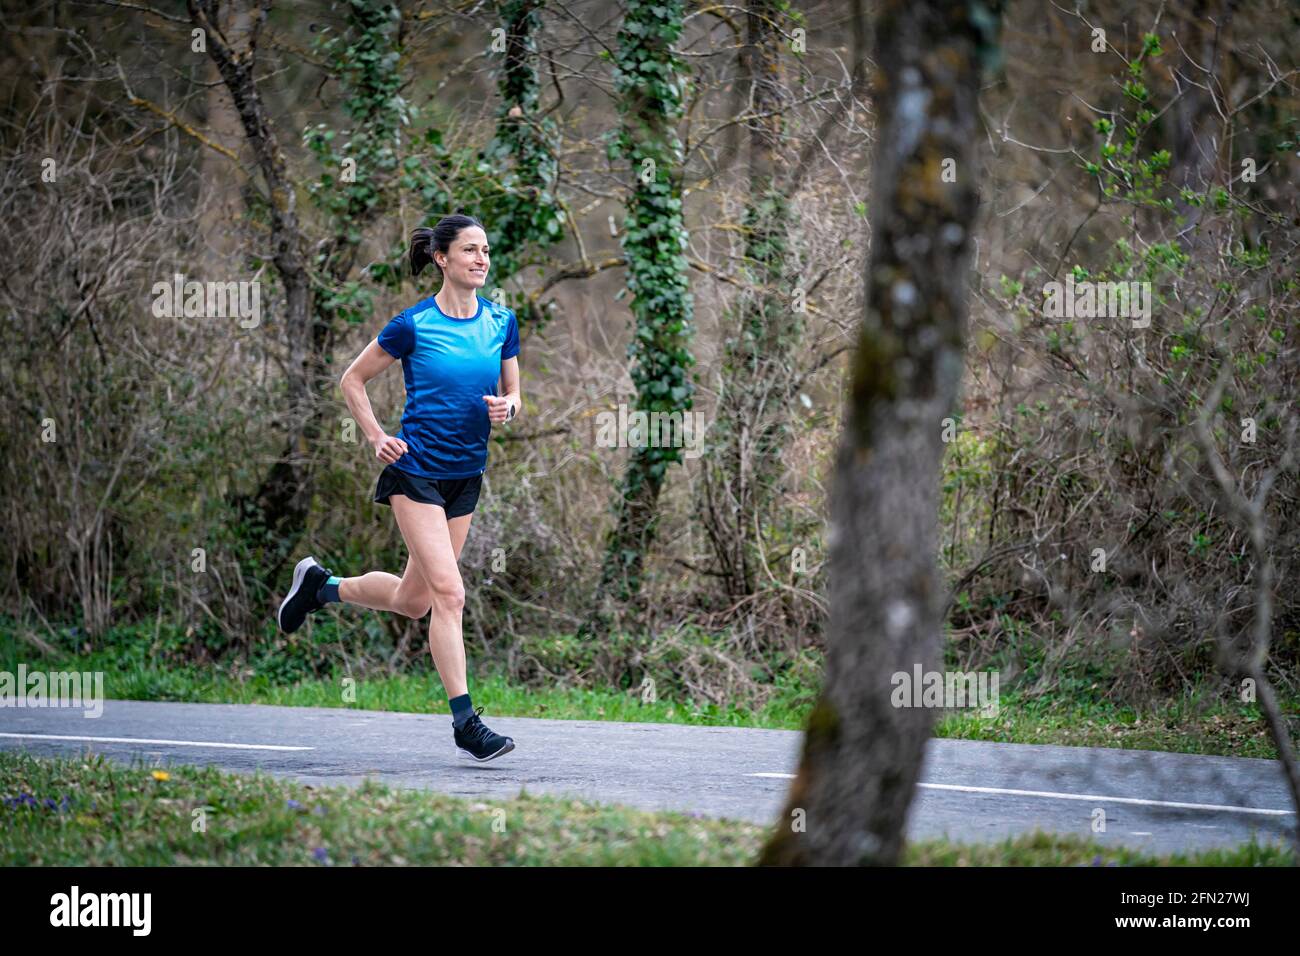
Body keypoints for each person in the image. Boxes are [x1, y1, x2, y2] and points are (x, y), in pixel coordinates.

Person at [277, 213, 521, 763]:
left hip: (467, 476)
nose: (482, 259)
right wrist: (376, 436)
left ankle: (321, 587)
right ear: (442, 258)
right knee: (450, 595)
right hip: (415, 473)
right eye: (470, 251)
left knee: (414, 603)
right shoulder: (412, 325)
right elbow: (352, 379)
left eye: (486, 250)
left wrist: (510, 406)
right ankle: (466, 723)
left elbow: (514, 390)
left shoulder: (502, 323)